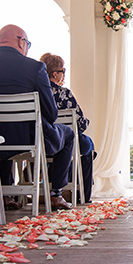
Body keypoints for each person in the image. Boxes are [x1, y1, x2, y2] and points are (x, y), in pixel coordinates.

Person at [0, 24, 75, 212]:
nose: (27, 47)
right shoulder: (35, 67)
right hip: (29, 138)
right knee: (68, 134)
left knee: (0, 129)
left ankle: (3, 195)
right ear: (21, 41)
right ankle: (56, 194)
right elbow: (51, 113)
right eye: (27, 43)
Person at [40, 52, 95, 204]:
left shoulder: (37, 92)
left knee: (85, 145)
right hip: (65, 140)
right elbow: (81, 124)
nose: (64, 75)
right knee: (88, 147)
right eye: (63, 71)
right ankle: (84, 196)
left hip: (42, 140)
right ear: (55, 74)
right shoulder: (64, 93)